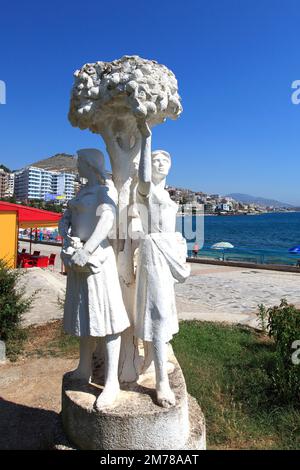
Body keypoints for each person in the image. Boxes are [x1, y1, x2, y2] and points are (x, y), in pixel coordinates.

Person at [59, 148, 130, 410]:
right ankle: (84, 367)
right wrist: (65, 233)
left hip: (96, 258)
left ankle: (112, 381)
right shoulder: (82, 191)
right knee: (85, 317)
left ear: (89, 164)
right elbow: (69, 217)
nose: (77, 166)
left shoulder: (104, 190)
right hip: (77, 256)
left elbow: (108, 219)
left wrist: (87, 250)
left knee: (107, 318)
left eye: (80, 162)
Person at [134, 120, 190, 408]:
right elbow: (143, 176)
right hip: (153, 251)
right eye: (156, 159)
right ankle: (161, 383)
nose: (159, 162)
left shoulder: (167, 196)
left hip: (167, 253)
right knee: (155, 312)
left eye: (164, 159)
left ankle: (150, 361)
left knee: (163, 309)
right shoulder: (149, 192)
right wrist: (147, 139)